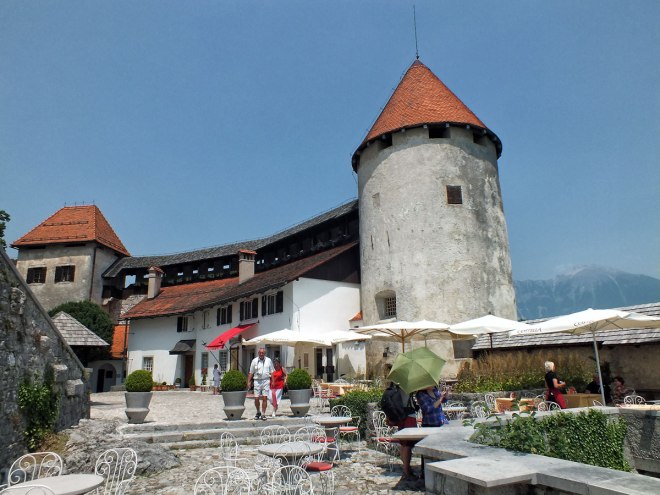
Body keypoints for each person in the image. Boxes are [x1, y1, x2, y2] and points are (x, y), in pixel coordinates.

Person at [247, 347, 274, 420]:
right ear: (258, 353)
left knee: (265, 398)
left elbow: (272, 371)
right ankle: (258, 411)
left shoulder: (269, 360)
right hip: (257, 381)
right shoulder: (254, 361)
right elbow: (251, 372)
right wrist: (248, 381)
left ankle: (263, 414)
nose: (261, 354)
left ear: (265, 353)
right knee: (256, 398)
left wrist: (273, 381)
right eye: (260, 353)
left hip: (266, 380)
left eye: (263, 353)